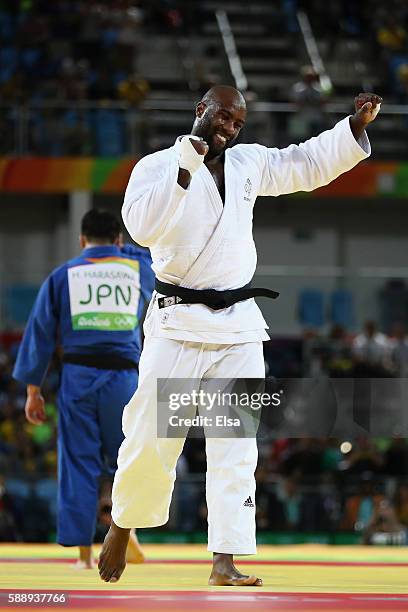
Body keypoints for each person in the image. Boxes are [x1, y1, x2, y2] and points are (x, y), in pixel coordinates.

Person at [98, 85, 382, 586]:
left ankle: (225, 557)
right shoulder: (156, 166)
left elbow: (305, 163)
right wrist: (185, 167)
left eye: (238, 123)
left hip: (239, 326)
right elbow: (142, 230)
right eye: (223, 117)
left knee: (236, 444)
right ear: (200, 110)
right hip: (177, 323)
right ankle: (123, 522)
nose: (230, 128)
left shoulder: (248, 163)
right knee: (150, 436)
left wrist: (353, 129)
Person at [13, 209, 154, 569]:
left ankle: (84, 556)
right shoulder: (138, 269)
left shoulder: (64, 275)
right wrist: (129, 252)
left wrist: (33, 391)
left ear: (81, 241)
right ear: (119, 240)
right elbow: (159, 261)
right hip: (124, 379)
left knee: (78, 461)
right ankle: (128, 533)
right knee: (129, 459)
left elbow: (40, 332)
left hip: (78, 377)